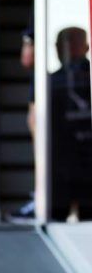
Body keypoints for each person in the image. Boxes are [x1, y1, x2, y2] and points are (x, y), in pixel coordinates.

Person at [49, 26, 92, 222]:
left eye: (71, 44)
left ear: (86, 47)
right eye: (62, 45)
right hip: (61, 167)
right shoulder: (50, 83)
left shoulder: (53, 83)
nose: (67, 49)